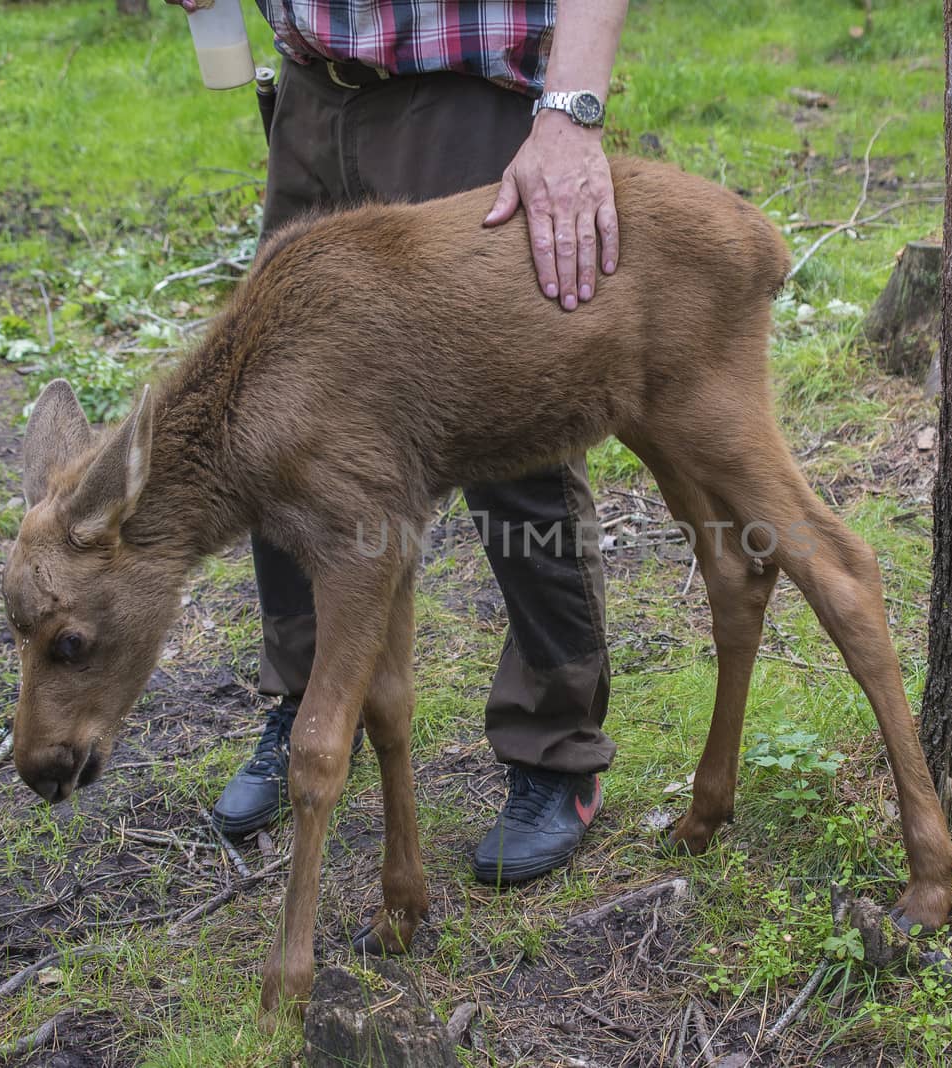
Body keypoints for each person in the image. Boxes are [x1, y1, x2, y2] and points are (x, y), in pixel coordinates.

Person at [167, 0, 630, 885]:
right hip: (313, 96)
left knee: (514, 434)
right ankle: (308, 702)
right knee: (269, 419)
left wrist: (571, 112)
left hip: (462, 99)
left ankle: (555, 747)